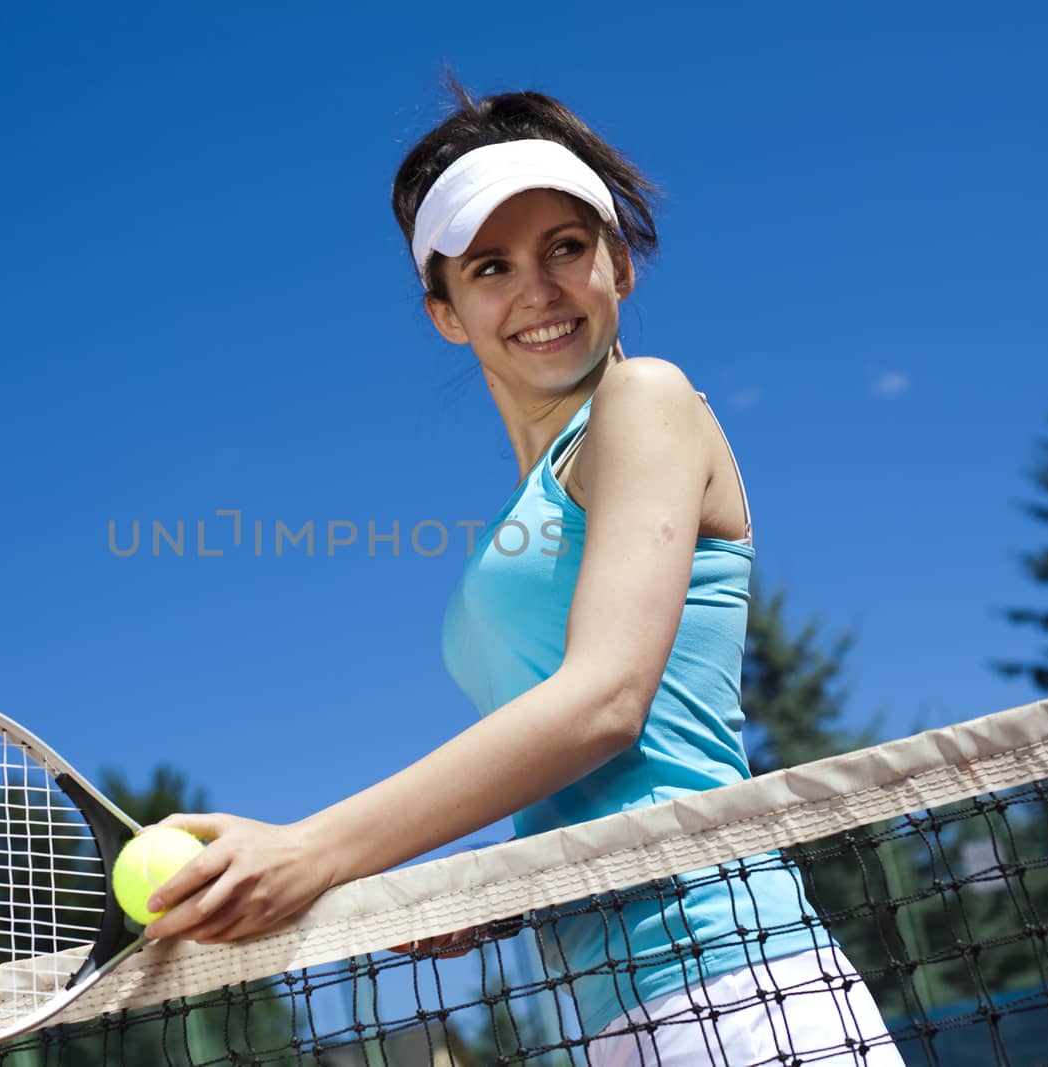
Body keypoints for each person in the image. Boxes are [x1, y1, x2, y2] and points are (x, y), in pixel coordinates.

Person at [142, 82, 903, 1066]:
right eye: (490, 266)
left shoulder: (646, 398)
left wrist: (313, 847)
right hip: (604, 1013)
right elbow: (613, 778)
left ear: (617, 265)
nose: (536, 290)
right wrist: (494, 885)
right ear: (446, 313)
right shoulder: (520, 515)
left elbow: (606, 704)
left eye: (565, 247)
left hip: (737, 979)